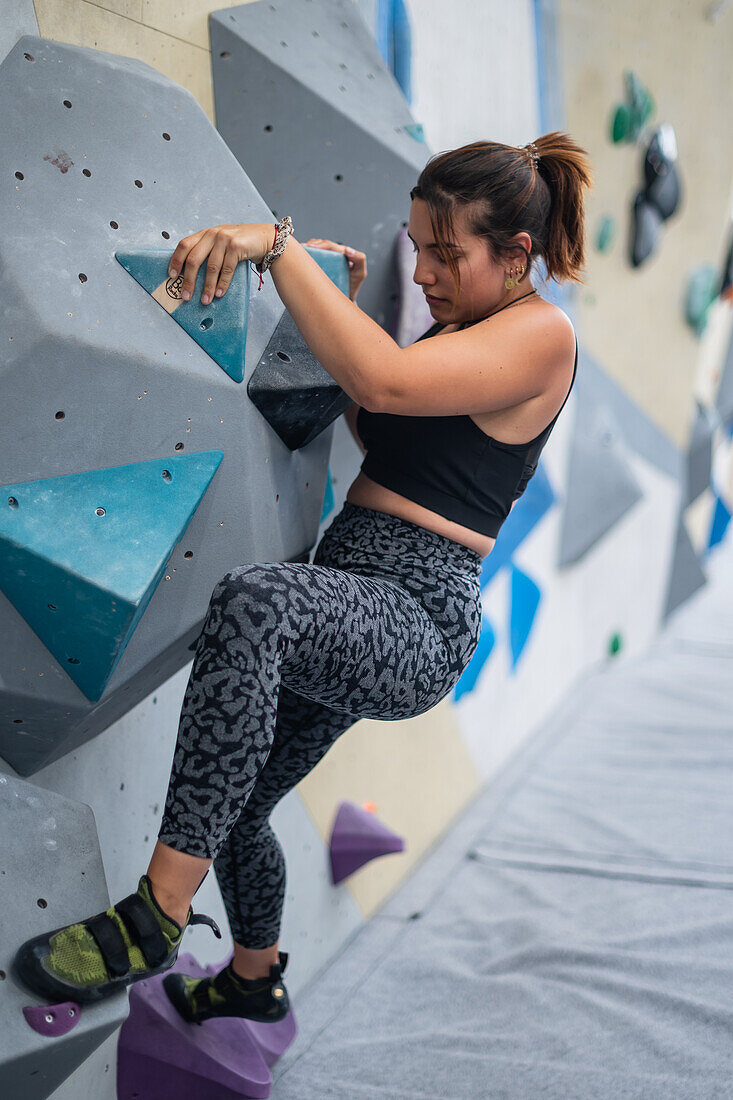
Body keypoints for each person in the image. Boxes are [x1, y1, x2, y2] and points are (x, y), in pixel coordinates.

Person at [14, 132, 592, 1025]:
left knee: (255, 602)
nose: (428, 272)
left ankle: (156, 915)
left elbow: (387, 382)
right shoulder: (465, 331)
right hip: (350, 590)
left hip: (416, 614)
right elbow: (382, 424)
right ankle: (253, 977)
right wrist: (336, 312)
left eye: (446, 254)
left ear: (515, 255)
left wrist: (279, 251)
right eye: (419, 250)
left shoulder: (542, 336)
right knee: (239, 810)